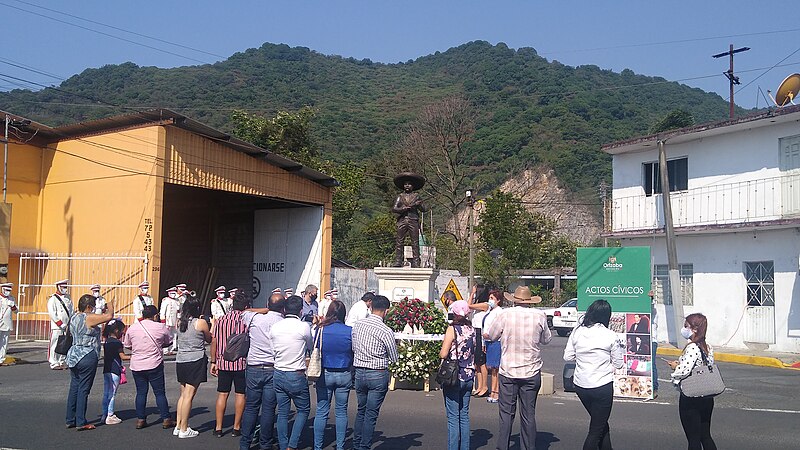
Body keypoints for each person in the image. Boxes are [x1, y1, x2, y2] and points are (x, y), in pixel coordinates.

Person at [485, 286, 552, 450]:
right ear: (530, 301)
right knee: (528, 414)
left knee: (506, 414)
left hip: (509, 370)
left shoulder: (505, 315)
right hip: (531, 370)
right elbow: (546, 339)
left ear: (514, 299)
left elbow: (492, 335)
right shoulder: (539, 316)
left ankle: (503, 446)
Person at [563, 299, 625, 450]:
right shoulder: (609, 335)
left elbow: (568, 357)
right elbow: (618, 363)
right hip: (602, 386)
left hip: (581, 385)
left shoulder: (577, 331)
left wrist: (584, 357)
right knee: (596, 430)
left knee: (601, 424)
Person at [351, 294, 398, 450]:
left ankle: (356, 443)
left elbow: (353, 347)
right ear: (386, 311)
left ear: (370, 307)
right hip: (377, 373)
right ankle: (364, 446)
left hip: (359, 372)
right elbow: (394, 356)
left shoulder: (358, 325)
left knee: (361, 411)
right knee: (371, 414)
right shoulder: (385, 330)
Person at [239, 292, 285, 450]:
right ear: (283, 308)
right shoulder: (282, 322)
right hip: (272, 367)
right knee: (268, 408)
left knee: (251, 406)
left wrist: (264, 310)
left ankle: (245, 443)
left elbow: (244, 312)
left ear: (268, 304)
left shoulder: (255, 318)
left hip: (254, 366)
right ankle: (265, 443)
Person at [65, 293, 116, 430]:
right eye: (92, 307)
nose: (94, 309)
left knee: (74, 387)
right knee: (83, 389)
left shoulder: (74, 317)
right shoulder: (87, 317)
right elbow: (108, 317)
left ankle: (70, 418)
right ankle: (81, 421)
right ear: (88, 306)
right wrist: (110, 307)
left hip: (74, 354)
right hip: (87, 354)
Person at [667, 313, 718, 450]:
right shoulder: (708, 347)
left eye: (686, 326)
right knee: (705, 435)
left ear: (694, 329)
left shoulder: (692, 347)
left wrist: (675, 367)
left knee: (693, 439)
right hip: (706, 395)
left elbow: (683, 371)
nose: (684, 329)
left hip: (691, 397)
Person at [270, 295, 313, 450]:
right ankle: (292, 445)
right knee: (303, 409)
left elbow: (272, 349)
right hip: (296, 373)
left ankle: (283, 445)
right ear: (301, 311)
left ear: (284, 309)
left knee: (282, 411)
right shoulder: (303, 327)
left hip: (279, 372)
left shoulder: (275, 327)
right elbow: (310, 346)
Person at [123, 304, 174, 430]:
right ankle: (166, 418)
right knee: (159, 393)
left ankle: (141, 419)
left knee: (141, 392)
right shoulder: (160, 327)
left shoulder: (133, 328)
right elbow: (168, 342)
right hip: (154, 363)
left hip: (137, 364)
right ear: (155, 315)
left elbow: (127, 345)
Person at [313, 300, 354, 450]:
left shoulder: (321, 330)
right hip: (343, 372)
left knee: (322, 411)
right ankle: (340, 446)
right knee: (341, 412)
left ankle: (317, 446)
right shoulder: (350, 331)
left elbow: (315, 348)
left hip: (324, 372)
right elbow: (353, 351)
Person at [210, 292, 249, 438]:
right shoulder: (246, 320)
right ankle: (236, 427)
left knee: (222, 394)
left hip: (223, 362)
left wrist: (213, 361)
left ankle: (218, 427)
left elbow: (214, 341)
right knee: (240, 394)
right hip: (240, 362)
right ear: (245, 306)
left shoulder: (220, 320)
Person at [439, 300, 476, 450]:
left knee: (453, 417)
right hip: (469, 374)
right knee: (464, 415)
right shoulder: (471, 329)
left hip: (454, 376)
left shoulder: (452, 329)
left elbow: (444, 353)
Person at [175, 294, 211, 438]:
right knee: (189, 396)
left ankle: (178, 425)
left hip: (181, 359)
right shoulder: (200, 322)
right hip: (195, 359)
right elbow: (208, 338)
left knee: (183, 395)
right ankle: (184, 429)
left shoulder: (179, 322)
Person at [391, 172, 428, 268]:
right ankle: (398, 261)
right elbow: (394, 209)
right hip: (402, 220)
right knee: (399, 241)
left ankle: (416, 261)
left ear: (413, 186)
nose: (407, 186)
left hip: (413, 220)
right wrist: (403, 209)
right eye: (405, 184)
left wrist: (418, 204)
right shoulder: (400, 197)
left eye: (409, 184)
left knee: (415, 242)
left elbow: (424, 209)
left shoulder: (417, 196)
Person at [101, 318, 130, 425]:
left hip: (106, 369)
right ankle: (110, 415)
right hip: (115, 370)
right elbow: (122, 356)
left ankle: (105, 413)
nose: (123, 332)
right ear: (117, 330)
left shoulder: (107, 341)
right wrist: (134, 356)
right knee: (112, 393)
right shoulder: (117, 343)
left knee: (106, 392)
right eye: (122, 330)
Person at [482, 290, 504, 403]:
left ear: (498, 300)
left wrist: (490, 335)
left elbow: (499, 328)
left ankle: (496, 392)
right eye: (489, 297)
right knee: (492, 368)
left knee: (496, 368)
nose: (490, 300)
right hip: (488, 342)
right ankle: (493, 391)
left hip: (496, 341)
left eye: (492, 298)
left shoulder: (500, 312)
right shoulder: (490, 311)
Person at [468, 284, 490, 397]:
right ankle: (479, 386)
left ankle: (485, 386)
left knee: (482, 362)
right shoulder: (477, 307)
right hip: (475, 332)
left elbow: (469, 305)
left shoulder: (485, 305)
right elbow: (468, 308)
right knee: (477, 363)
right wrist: (472, 294)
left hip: (481, 333)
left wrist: (472, 293)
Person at [47, 279, 73, 370]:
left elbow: (71, 310)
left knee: (65, 343)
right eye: (63, 287)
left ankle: (62, 361)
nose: (65, 289)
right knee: (55, 343)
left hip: (67, 325)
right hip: (57, 326)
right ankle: (53, 362)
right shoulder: (53, 299)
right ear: (58, 287)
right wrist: (59, 323)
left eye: (66, 287)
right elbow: (52, 312)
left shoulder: (68, 298)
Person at [0, 282, 18, 364]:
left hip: (7, 324)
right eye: (6, 290)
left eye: (9, 290)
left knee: (4, 343)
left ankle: (1, 359)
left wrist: (13, 306)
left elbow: (16, 311)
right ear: (2, 289)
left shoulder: (12, 298)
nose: (8, 292)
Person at [159, 286, 180, 354]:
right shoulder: (166, 300)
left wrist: (179, 319)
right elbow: (162, 311)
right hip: (168, 320)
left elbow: (179, 311)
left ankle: (173, 348)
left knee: (175, 334)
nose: (173, 294)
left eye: (174, 293)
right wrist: (163, 321)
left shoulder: (177, 300)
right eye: (172, 293)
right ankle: (165, 349)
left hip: (175, 320)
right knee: (167, 335)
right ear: (169, 293)